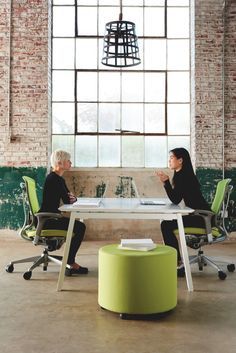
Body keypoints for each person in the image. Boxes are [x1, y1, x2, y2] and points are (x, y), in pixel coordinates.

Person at [156, 147, 210, 275]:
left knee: (166, 225)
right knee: (166, 223)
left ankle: (177, 265)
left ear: (180, 160)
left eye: (171, 158)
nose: (169, 161)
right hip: (199, 215)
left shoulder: (184, 177)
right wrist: (167, 182)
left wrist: (166, 182)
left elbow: (175, 199)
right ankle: (176, 262)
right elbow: (177, 197)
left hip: (201, 218)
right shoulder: (182, 174)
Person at [39, 149, 88, 276]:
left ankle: (70, 261)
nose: (70, 163)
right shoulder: (55, 179)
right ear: (60, 163)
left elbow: (70, 198)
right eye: (68, 161)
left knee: (78, 226)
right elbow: (69, 199)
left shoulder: (57, 178)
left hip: (49, 218)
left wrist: (72, 198)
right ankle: (70, 262)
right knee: (80, 227)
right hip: (48, 221)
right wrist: (72, 198)